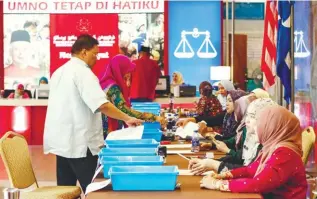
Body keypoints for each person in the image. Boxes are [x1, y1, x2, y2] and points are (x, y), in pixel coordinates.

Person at [43, 35, 143, 193]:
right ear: (83, 52)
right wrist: (127, 118)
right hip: (81, 144)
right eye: (94, 54)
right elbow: (102, 104)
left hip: (62, 143)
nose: (96, 58)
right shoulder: (83, 73)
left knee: (64, 191)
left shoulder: (59, 72)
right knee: (95, 191)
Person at [199, 106, 307, 199]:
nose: (257, 128)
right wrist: (224, 176)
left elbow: (260, 183)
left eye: (262, 124)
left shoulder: (284, 153)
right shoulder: (272, 147)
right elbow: (251, 170)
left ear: (275, 128)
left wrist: (217, 184)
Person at [99, 54, 164, 137]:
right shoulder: (113, 88)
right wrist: (154, 117)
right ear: (120, 69)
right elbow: (126, 111)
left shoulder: (106, 82)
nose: (128, 74)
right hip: (107, 132)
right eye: (127, 70)